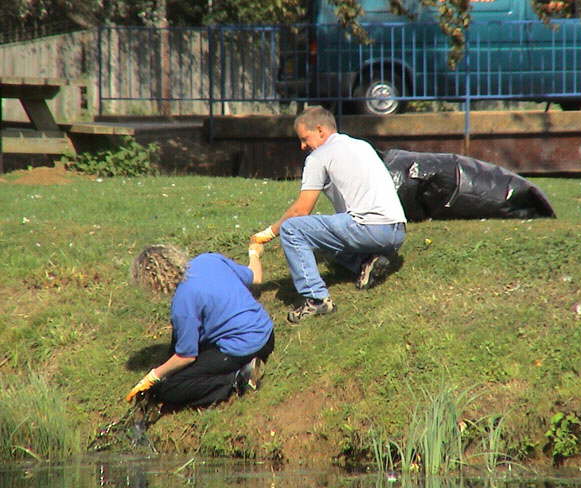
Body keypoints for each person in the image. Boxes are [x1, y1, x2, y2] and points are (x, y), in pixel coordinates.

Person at [251, 106, 407, 323]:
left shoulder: (319, 156)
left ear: (320, 130)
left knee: (293, 230)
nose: (302, 146)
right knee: (322, 233)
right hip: (397, 230)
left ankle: (316, 299)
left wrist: (267, 234)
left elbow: (301, 210)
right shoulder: (362, 145)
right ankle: (366, 263)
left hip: (370, 228)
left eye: (305, 138)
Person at [125, 242, 274, 408]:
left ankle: (238, 379)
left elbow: (186, 357)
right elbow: (255, 278)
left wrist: (154, 376)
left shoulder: (182, 303)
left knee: (169, 388)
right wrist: (254, 253)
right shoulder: (210, 260)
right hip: (266, 333)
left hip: (242, 348)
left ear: (154, 282)